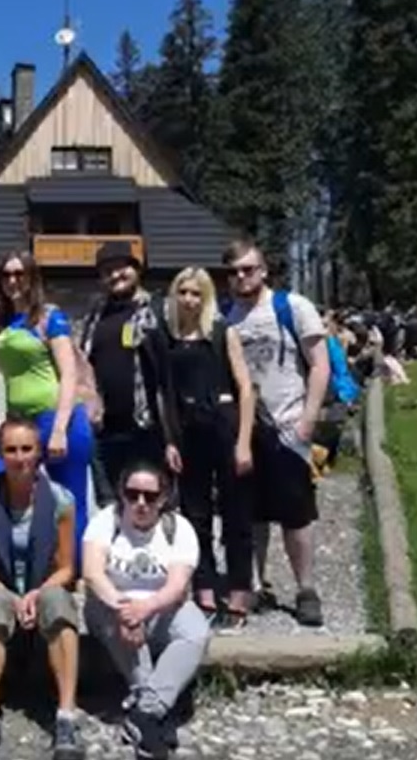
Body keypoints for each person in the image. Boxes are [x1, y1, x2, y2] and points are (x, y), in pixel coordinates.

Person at [223, 239, 330, 626]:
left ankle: (306, 589)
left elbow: (319, 364)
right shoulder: (226, 317)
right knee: (251, 513)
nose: (241, 277)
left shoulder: (293, 307)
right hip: (245, 430)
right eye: (234, 272)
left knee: (296, 514)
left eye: (248, 269)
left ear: (264, 270)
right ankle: (256, 584)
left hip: (287, 425)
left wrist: (307, 420)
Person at [0, 418, 82, 760]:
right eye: (11, 450)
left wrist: (35, 594)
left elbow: (66, 568)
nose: (19, 458)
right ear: (1, 455)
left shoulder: (60, 500)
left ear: (38, 452)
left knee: (58, 601)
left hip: (42, 586)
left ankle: (66, 715)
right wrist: (12, 597)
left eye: (26, 449)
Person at [83, 461, 210, 760]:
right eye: (132, 494)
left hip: (161, 606)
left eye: (150, 497)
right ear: (122, 494)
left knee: (196, 632)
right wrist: (125, 609)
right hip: (111, 605)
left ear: (163, 499)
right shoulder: (105, 521)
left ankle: (145, 712)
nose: (140, 503)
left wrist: (145, 608)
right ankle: (156, 712)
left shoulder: (178, 529)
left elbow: (177, 586)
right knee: (120, 622)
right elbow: (92, 573)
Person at [0, 252, 95, 552]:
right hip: (19, 423)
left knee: (69, 502)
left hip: (58, 418)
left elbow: (69, 373)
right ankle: (0, 565)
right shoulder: (0, 321)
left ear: (33, 278)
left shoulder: (49, 317)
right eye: (6, 275)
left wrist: (59, 429)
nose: (12, 281)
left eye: (20, 274)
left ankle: (75, 569)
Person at [162, 268, 255, 628]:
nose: (189, 300)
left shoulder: (221, 331)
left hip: (224, 423)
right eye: (183, 292)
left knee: (236, 512)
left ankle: (239, 590)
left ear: (206, 297)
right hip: (188, 430)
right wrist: (170, 440)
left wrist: (243, 441)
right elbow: (165, 394)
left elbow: (245, 387)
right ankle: (204, 588)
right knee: (194, 513)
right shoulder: (169, 338)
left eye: (196, 293)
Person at [76, 245, 179, 502]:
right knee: (109, 505)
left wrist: (173, 436)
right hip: (105, 430)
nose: (115, 275)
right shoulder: (95, 315)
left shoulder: (159, 310)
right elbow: (82, 364)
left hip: (147, 429)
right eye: (107, 271)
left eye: (121, 268)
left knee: (150, 502)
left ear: (137, 270)